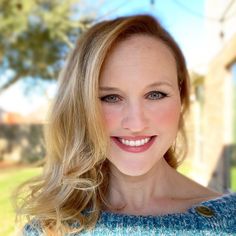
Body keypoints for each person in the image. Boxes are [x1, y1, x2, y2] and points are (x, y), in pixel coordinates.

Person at [16, 14, 236, 236]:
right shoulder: (47, 229)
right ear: (81, 107)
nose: (136, 123)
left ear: (181, 98)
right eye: (111, 97)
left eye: (155, 94)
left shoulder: (231, 221)